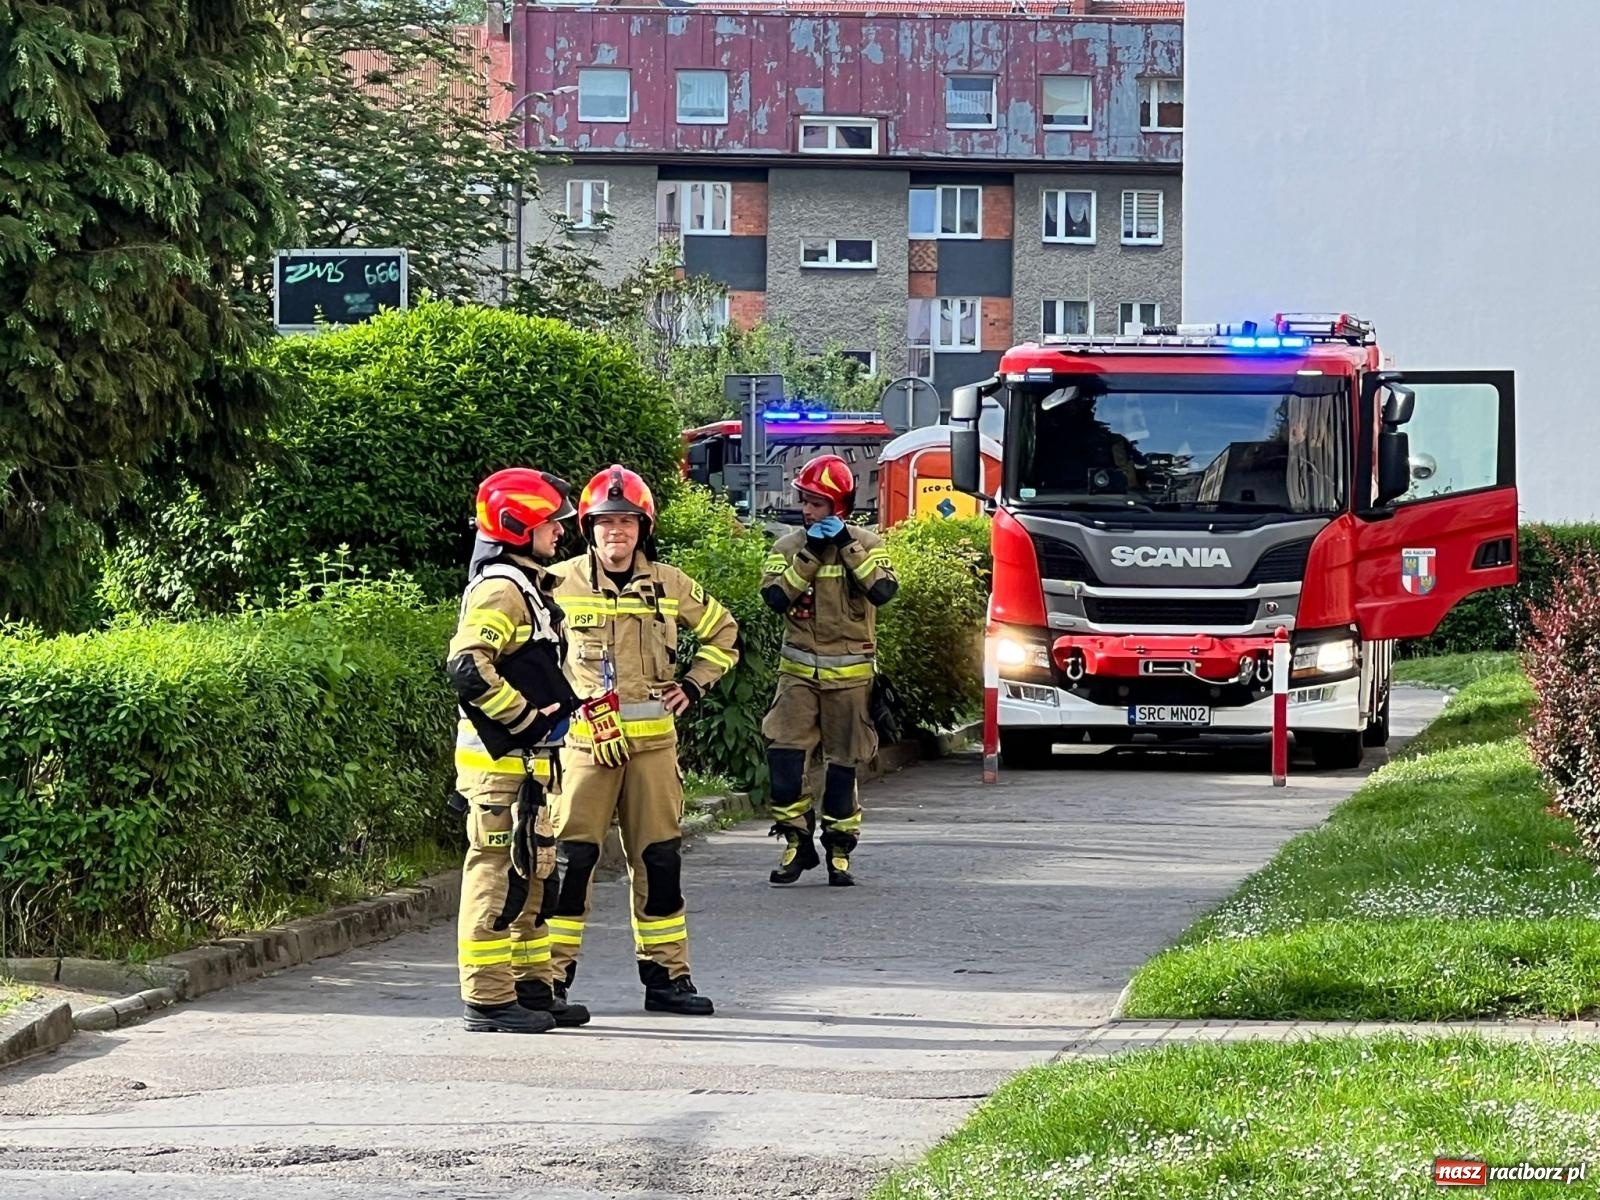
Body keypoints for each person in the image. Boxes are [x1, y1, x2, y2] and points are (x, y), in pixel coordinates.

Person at [545, 464, 740, 1016]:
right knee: (572, 861)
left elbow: (725, 633)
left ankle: (666, 978)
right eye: (606, 523)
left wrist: (695, 685)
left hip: (654, 751)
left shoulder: (671, 584)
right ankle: (552, 978)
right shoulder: (556, 583)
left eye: (627, 522)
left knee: (659, 862)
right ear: (588, 528)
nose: (617, 533)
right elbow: (529, 653)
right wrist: (565, 707)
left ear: (643, 528)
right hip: (585, 747)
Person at [445, 468, 589, 1034]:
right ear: (518, 527)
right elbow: (467, 666)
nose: (559, 532)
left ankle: (531, 988)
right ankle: (487, 998)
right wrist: (526, 720)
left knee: (534, 874)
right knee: (495, 875)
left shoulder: (527, 584)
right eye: (550, 523)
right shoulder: (501, 589)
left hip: (529, 769)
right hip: (496, 769)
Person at [759, 454, 897, 887]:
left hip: (851, 683)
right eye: (805, 501)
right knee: (782, 760)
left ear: (840, 507)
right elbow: (777, 598)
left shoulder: (869, 545)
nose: (808, 511)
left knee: (842, 769)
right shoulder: (787, 547)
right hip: (797, 678)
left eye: (818, 503)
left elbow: (883, 590)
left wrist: (847, 547)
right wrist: (812, 553)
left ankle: (839, 849)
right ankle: (797, 842)